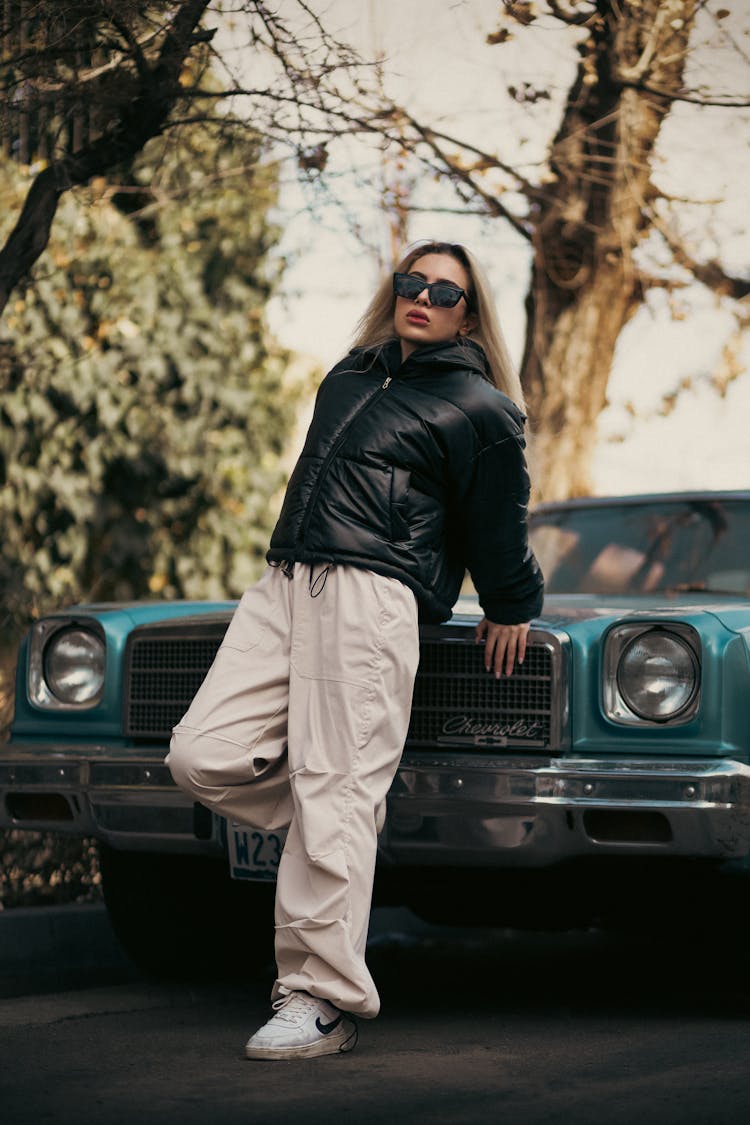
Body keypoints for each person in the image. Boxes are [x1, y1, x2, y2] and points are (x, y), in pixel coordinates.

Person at [166, 239, 544, 1060]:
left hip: (373, 593)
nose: (423, 297)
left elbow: (497, 521)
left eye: (445, 291)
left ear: (469, 314)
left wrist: (513, 602)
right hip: (286, 583)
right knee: (203, 755)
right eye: (412, 281)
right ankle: (342, 826)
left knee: (337, 793)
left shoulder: (482, 408)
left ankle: (321, 999)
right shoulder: (348, 374)